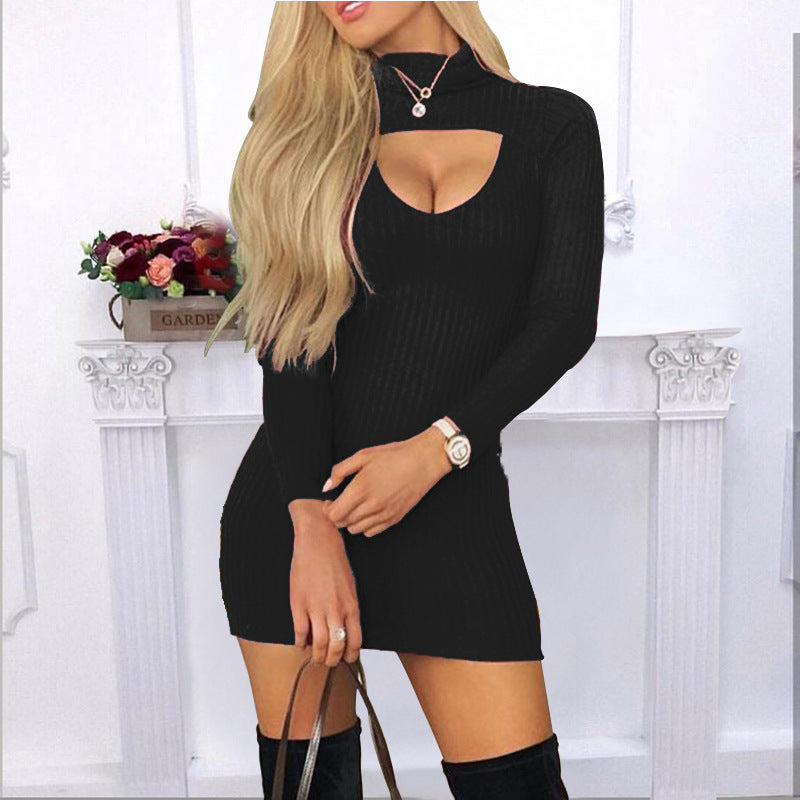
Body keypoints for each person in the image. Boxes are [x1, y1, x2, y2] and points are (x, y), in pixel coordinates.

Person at [205, 1, 604, 797]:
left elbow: (563, 320)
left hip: (452, 504)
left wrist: (436, 450)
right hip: (300, 515)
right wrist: (310, 525)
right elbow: (292, 349)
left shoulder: (554, 124)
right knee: (315, 788)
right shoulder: (302, 135)